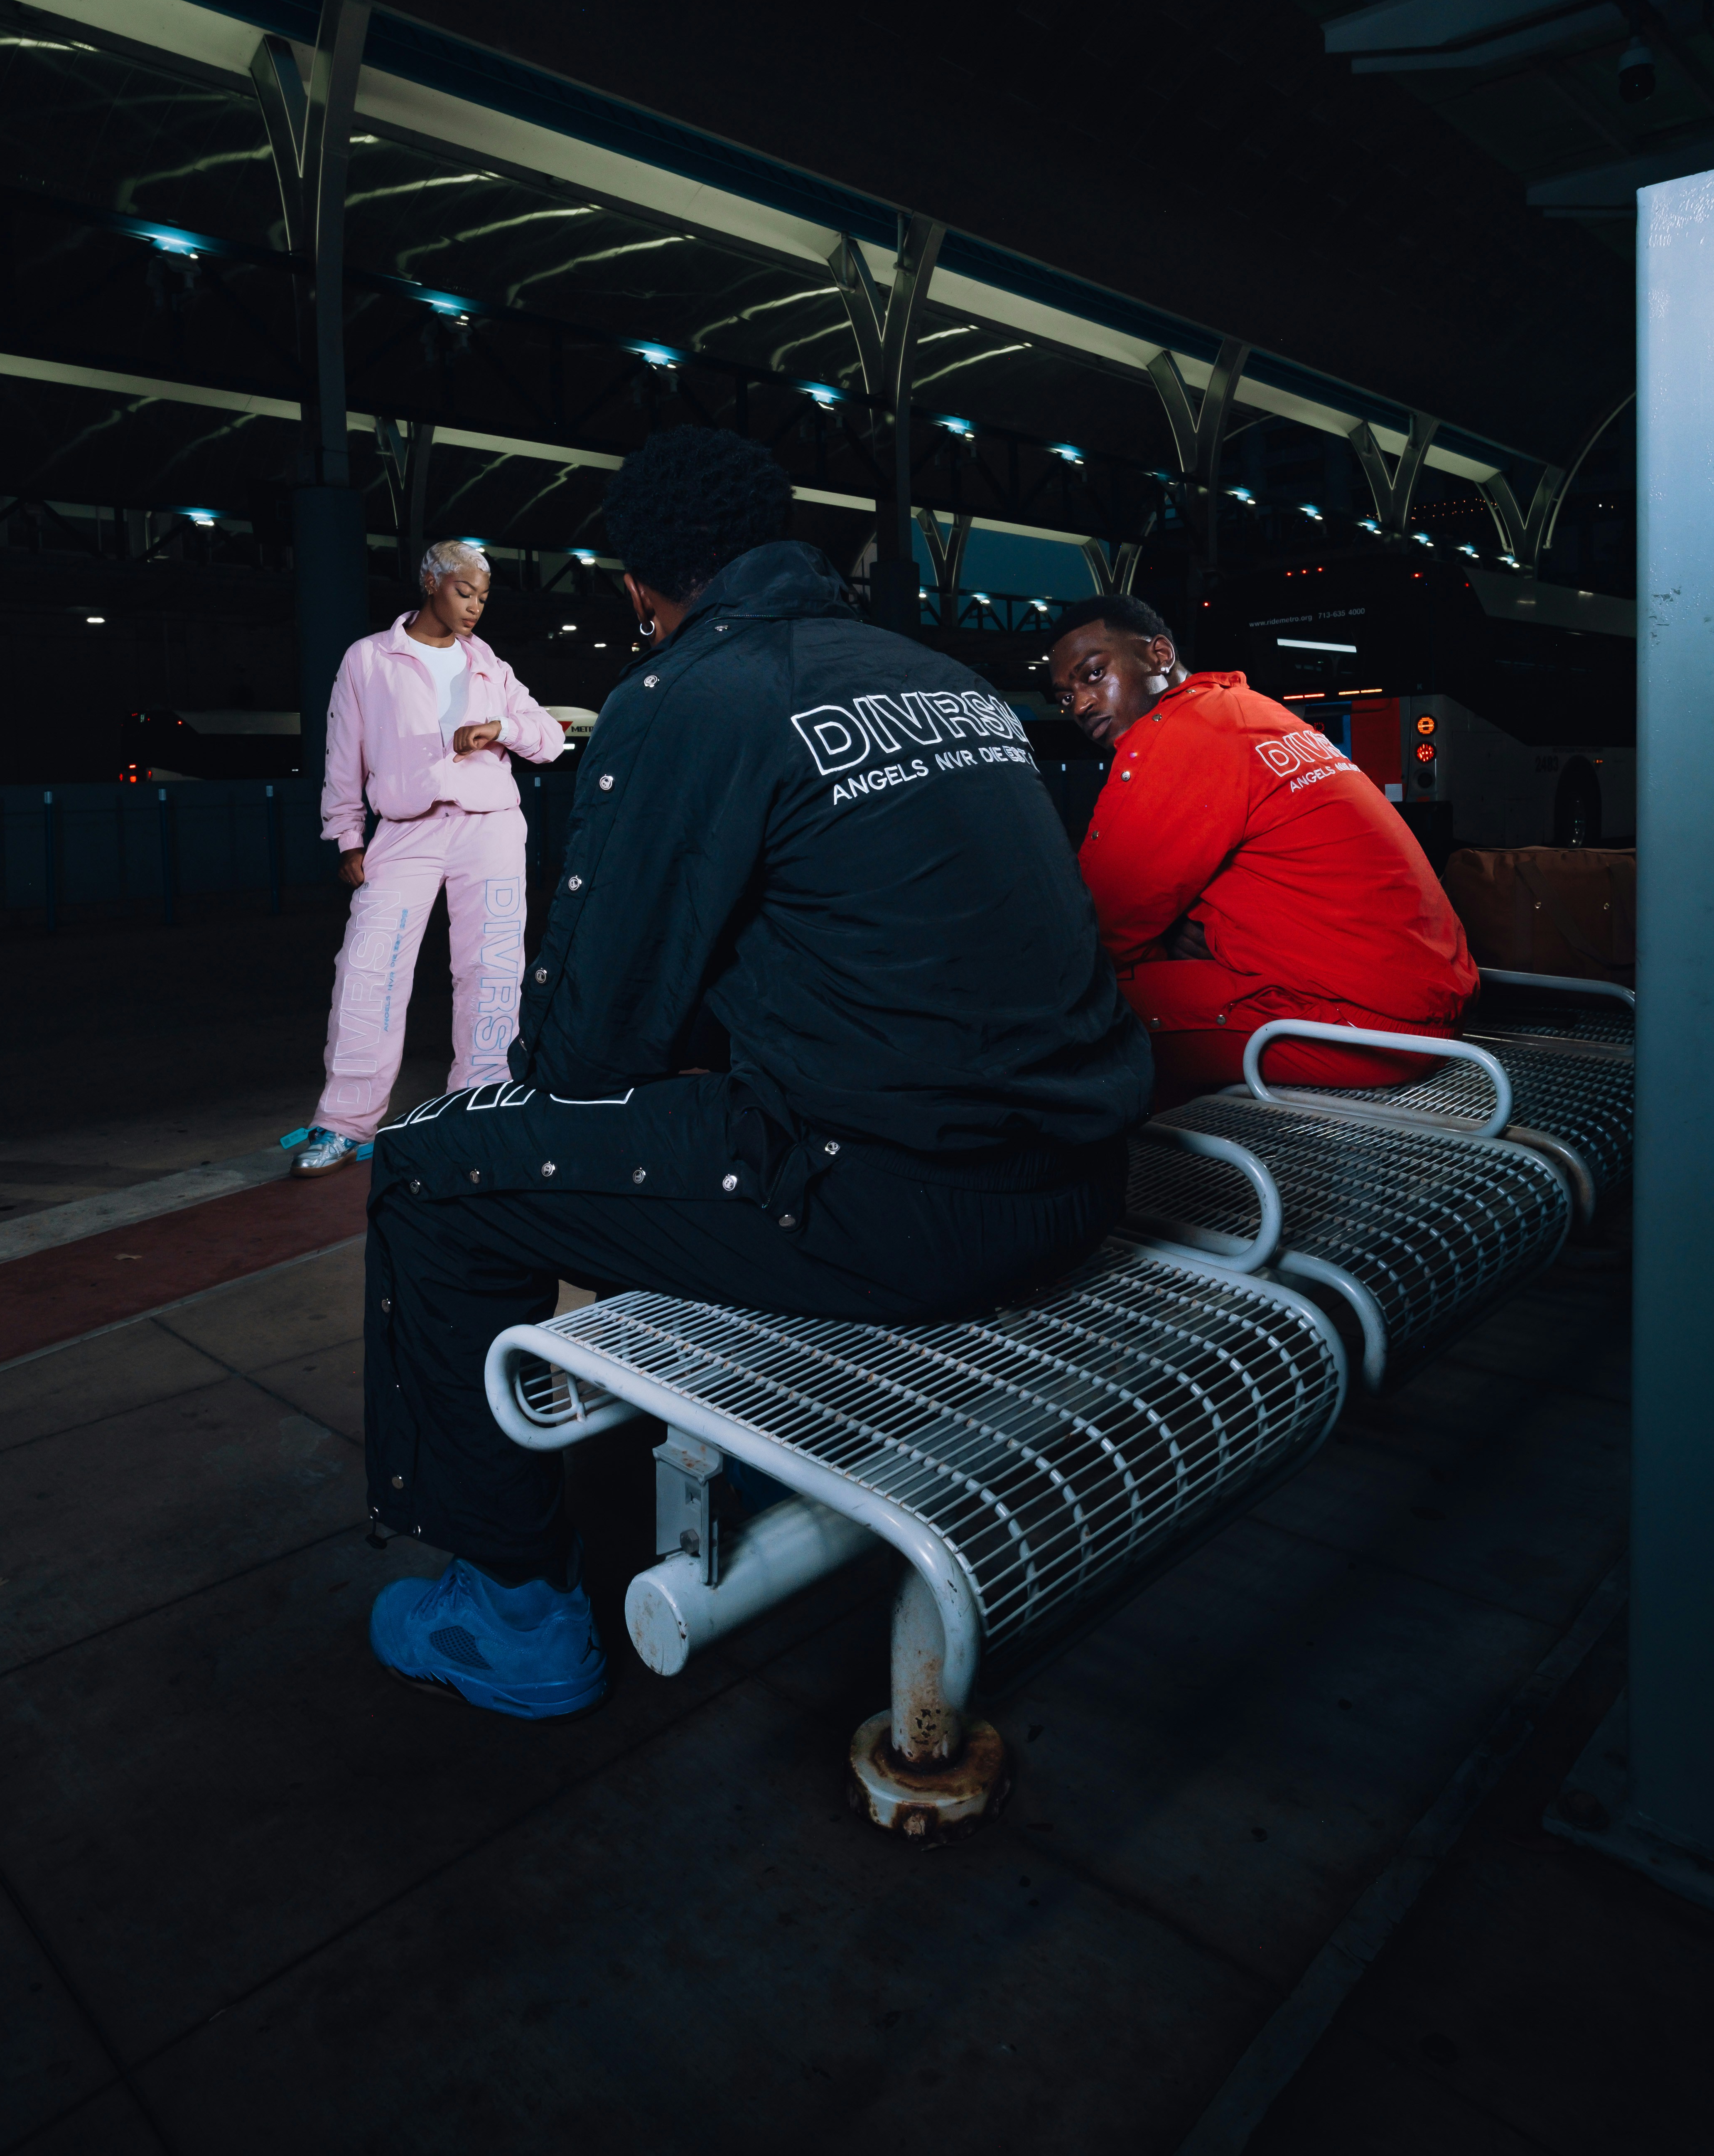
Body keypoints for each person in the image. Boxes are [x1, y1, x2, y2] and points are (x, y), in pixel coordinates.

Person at [362, 428, 1152, 1717]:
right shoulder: (941, 678)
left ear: (639, 587)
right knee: (698, 1115)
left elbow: (584, 1051)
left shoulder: (687, 694)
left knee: (430, 1168)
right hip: (1075, 1180)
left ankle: (512, 1612)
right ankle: (740, 1456)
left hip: (900, 1214)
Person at [1047, 592, 1476, 1109]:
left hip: (1363, 1024)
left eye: (1093, 674)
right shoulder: (1249, 709)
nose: (1082, 704)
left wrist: (1163, 929)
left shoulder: (1176, 736)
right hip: (1423, 998)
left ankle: (1157, 1182)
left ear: (1160, 654)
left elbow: (1093, 932)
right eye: (1065, 696)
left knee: (1075, 1011)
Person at [288, 540, 565, 1177]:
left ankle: (479, 1110)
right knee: (368, 969)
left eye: (484, 598)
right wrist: (347, 836)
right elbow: (343, 754)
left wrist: (499, 728)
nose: (474, 608)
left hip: (490, 827)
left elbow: (549, 740)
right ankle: (344, 1125)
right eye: (464, 592)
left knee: (491, 971)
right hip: (405, 829)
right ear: (430, 584)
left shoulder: (488, 664)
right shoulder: (370, 659)